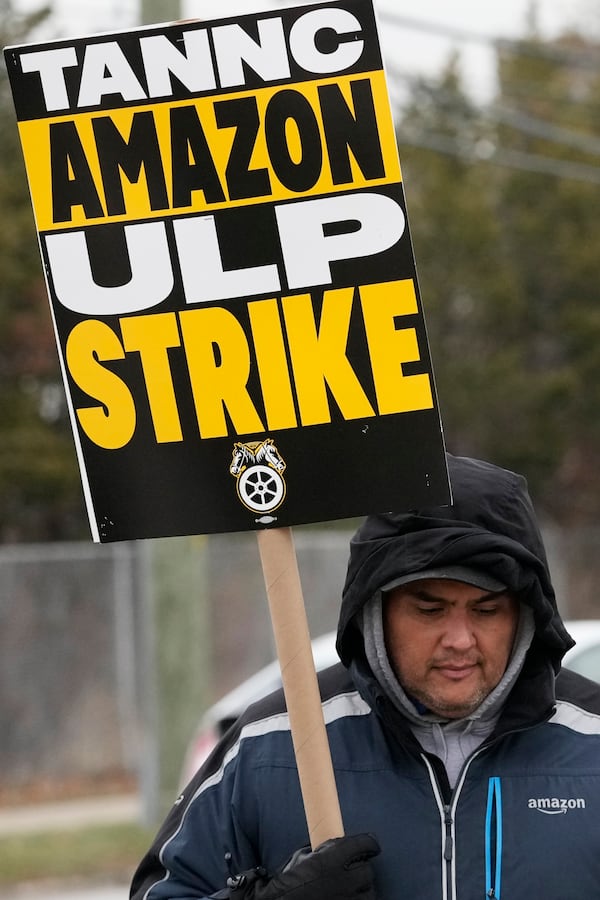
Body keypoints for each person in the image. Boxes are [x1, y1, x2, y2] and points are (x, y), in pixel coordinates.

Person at [130, 453, 600, 900]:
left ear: (524, 616)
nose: (460, 639)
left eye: (486, 609)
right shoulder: (274, 746)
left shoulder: (592, 739)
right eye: (430, 608)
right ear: (375, 611)